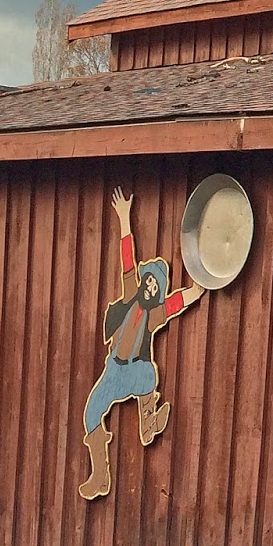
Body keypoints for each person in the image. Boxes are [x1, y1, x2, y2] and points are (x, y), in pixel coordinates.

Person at [78, 187, 205, 501]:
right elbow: (126, 261)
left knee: (149, 375)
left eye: (154, 285)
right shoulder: (130, 292)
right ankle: (100, 476)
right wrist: (124, 219)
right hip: (112, 371)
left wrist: (199, 289)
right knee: (91, 412)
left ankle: (148, 423)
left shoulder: (156, 313)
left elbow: (178, 302)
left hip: (136, 370)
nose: (148, 286)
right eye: (148, 280)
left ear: (158, 291)